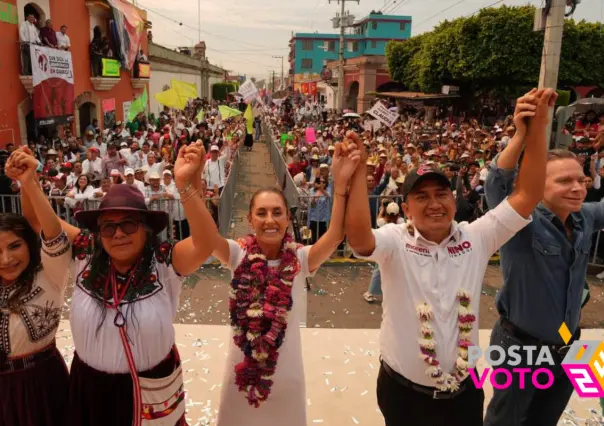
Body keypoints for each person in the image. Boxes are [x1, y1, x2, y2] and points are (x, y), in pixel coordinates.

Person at [343, 88, 557, 426]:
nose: (434, 204)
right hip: (403, 394)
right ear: (407, 208)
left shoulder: (477, 237)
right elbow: (359, 239)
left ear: (454, 202)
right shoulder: (395, 241)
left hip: (464, 393)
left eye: (442, 194)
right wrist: (356, 176)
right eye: (422, 196)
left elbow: (528, 194)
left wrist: (537, 127)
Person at [9, 142, 219, 426]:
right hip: (90, 392)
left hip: (151, 392)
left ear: (145, 228)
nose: (118, 234)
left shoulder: (163, 261)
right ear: (98, 233)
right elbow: (35, 219)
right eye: (108, 226)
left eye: (129, 224)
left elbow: (205, 245)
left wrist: (184, 183)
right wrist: (27, 180)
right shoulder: (85, 251)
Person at [212, 142, 360, 426]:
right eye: (262, 213)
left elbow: (335, 236)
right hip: (241, 375)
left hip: (287, 378)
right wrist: (188, 187)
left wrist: (340, 186)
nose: (270, 220)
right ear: (249, 220)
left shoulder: (301, 259)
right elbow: (206, 239)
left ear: (288, 218)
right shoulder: (236, 253)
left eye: (277, 212)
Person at [483, 91, 603, 426]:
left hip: (569, 347)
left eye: (581, 180)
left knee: (546, 419)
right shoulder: (519, 223)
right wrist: (522, 134)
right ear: (535, 184)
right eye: (564, 181)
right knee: (505, 421)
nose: (578, 187)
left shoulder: (587, 218)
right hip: (518, 348)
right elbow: (497, 185)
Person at [0, 211, 71, 426]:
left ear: (30, 244)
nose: (6, 259)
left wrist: (28, 181)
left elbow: (48, 228)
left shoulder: (49, 275)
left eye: (14, 246)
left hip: (42, 385)